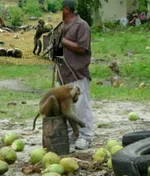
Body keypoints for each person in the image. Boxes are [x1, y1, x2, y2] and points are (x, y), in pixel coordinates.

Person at [58, 0, 94, 150]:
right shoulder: (60, 26)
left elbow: (81, 47)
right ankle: (72, 135)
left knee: (81, 107)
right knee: (66, 108)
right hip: (62, 73)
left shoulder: (81, 25)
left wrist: (63, 40)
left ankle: (85, 136)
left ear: (66, 9)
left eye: (61, 9)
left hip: (77, 73)